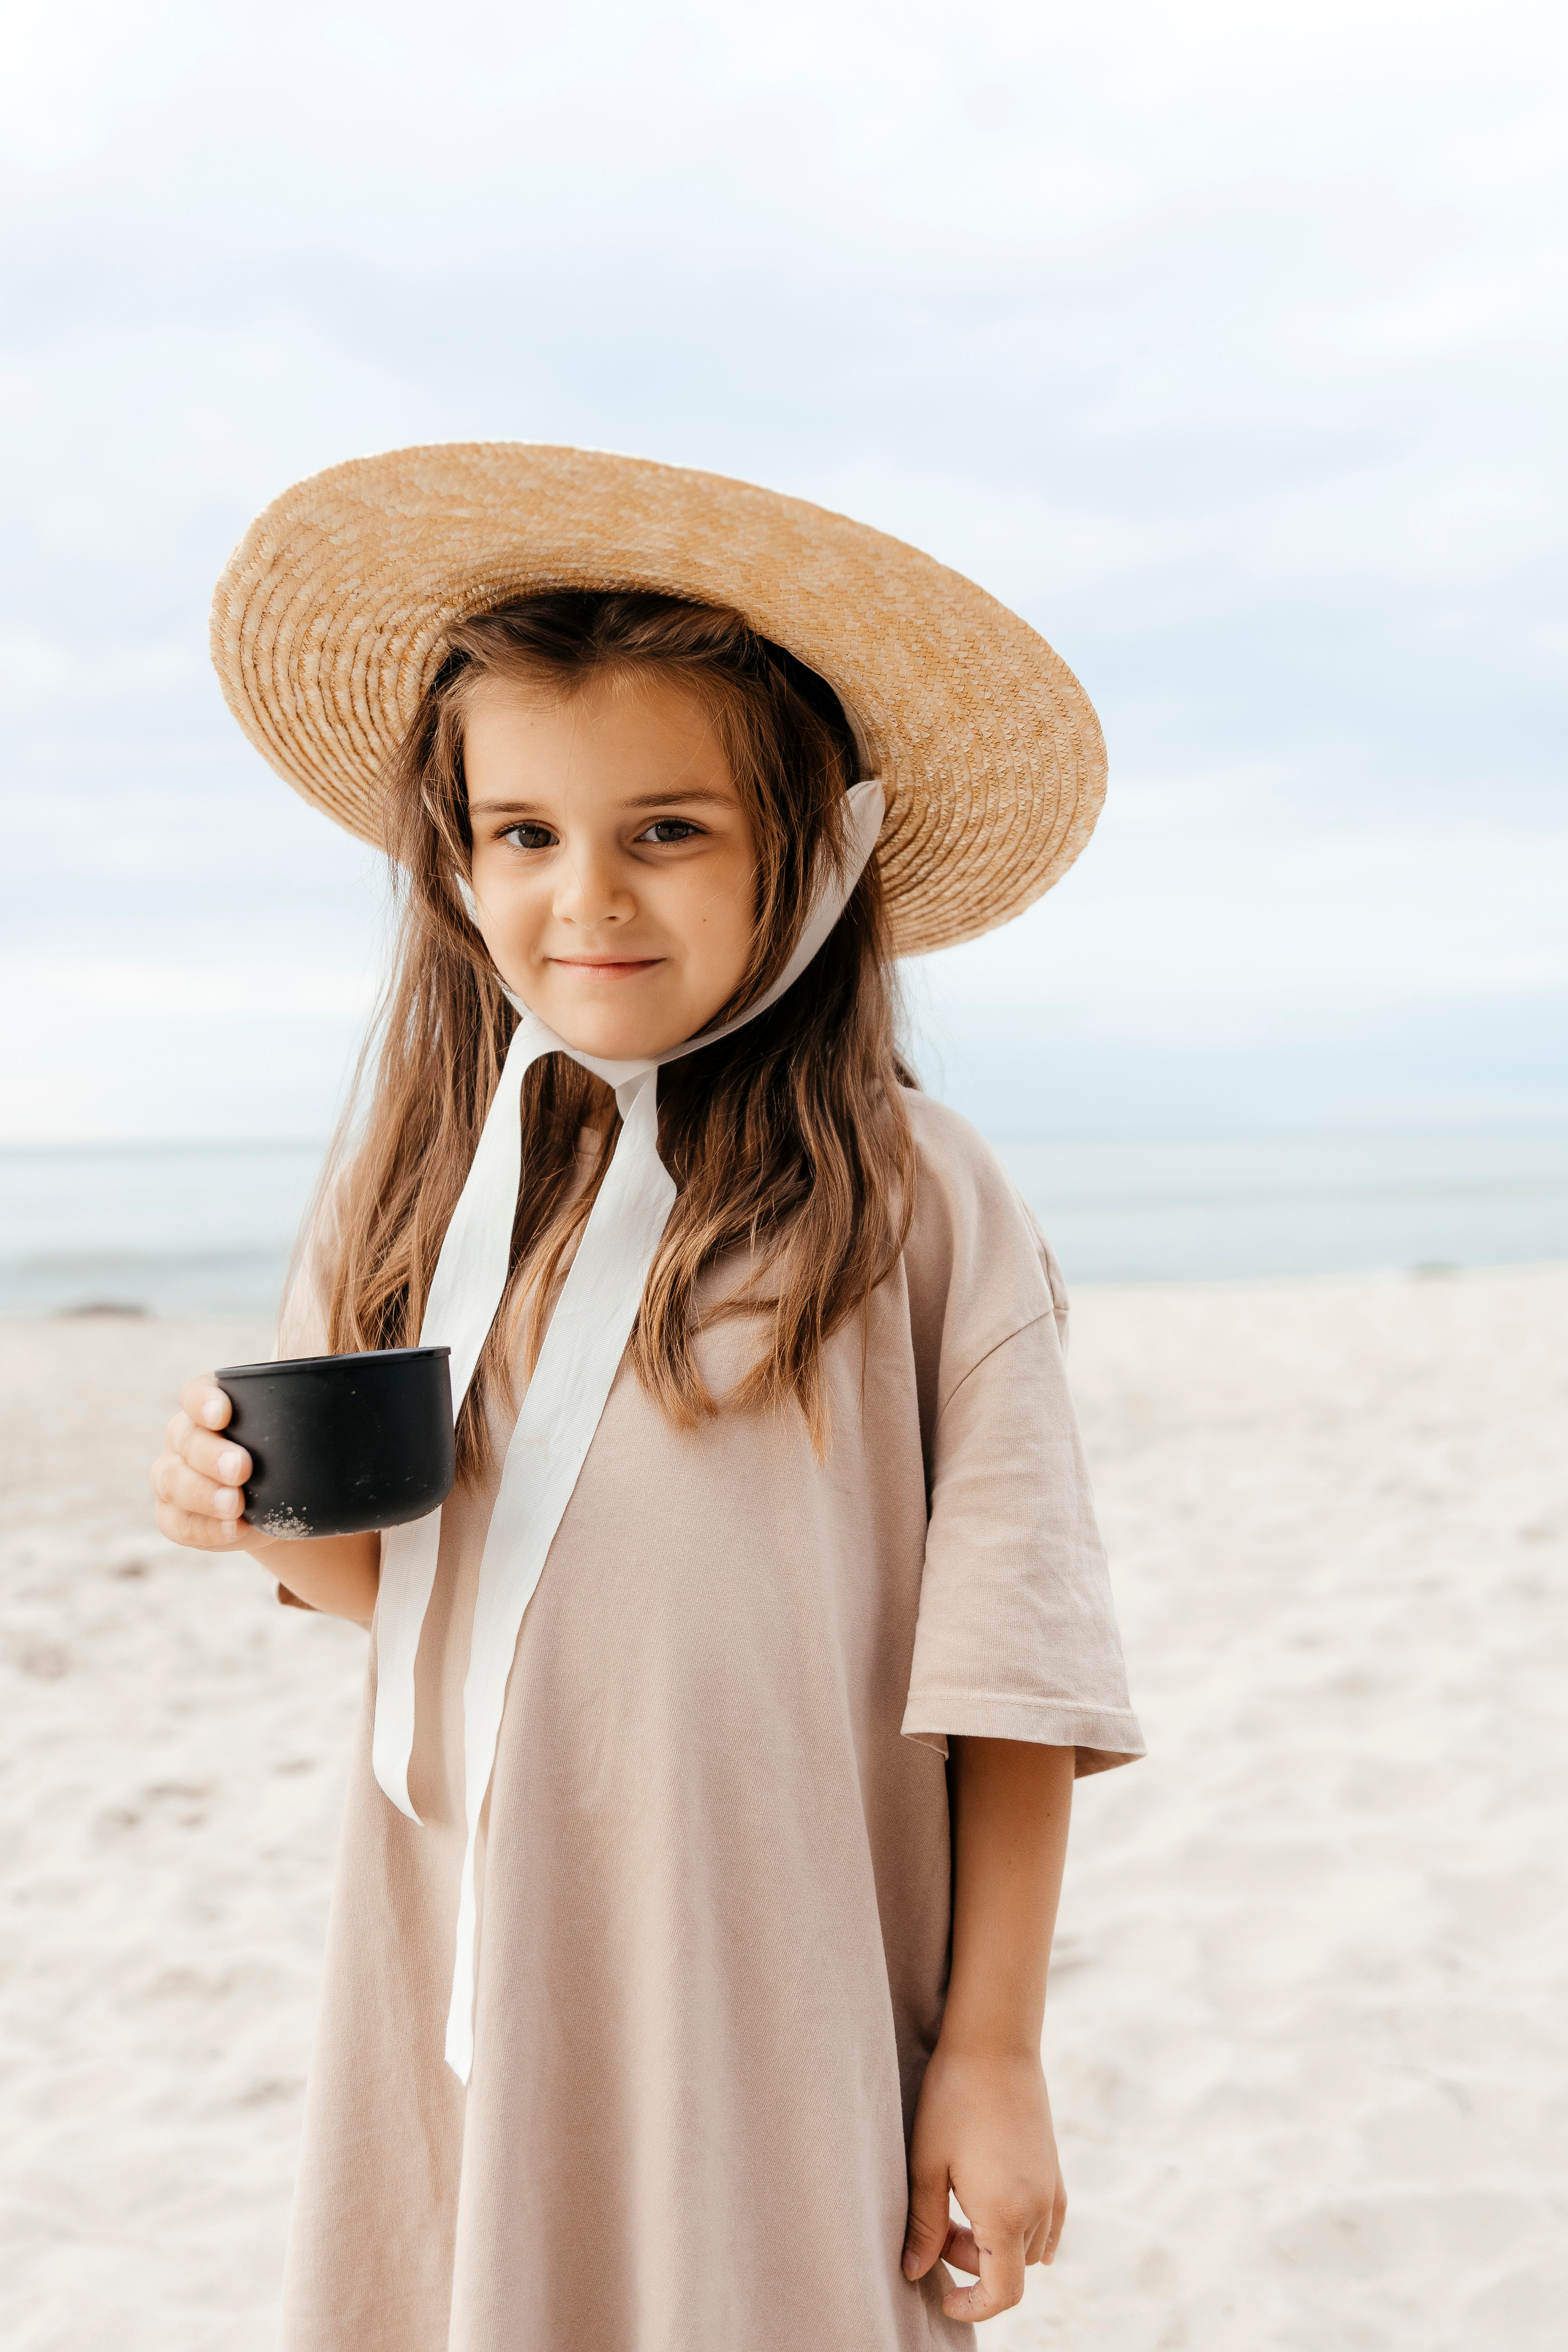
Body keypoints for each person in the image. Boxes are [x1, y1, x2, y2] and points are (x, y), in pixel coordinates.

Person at [151, 445, 1144, 2352]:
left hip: (784, 1963)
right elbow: (404, 1594)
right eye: (521, 834)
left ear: (812, 848)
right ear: (453, 860)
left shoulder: (914, 1195)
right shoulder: (416, 1182)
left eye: (664, 830)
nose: (583, 894)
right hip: (478, 1936)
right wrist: (239, 1502)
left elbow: (1013, 1663)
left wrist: (996, 2050)